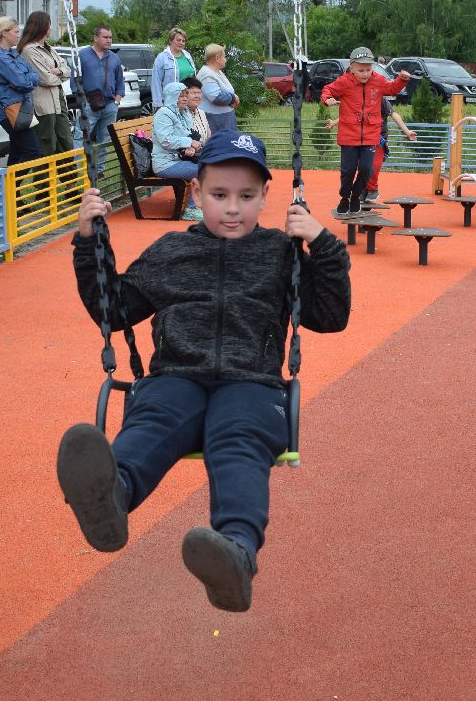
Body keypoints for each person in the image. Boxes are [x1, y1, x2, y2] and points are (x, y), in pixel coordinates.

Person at [57, 129, 352, 611]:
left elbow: (330, 316)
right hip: (176, 375)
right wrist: (89, 244)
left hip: (252, 383)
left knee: (239, 440)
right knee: (153, 420)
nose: (233, 209)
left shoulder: (280, 253)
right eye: (219, 195)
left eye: (246, 197)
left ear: (265, 197)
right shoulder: (170, 252)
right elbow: (114, 310)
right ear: (196, 193)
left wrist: (322, 245)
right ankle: (111, 498)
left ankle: (235, 553)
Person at [320, 46, 410, 217]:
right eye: (361, 70)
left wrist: (402, 80)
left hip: (370, 135)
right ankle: (345, 197)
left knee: (367, 169)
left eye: (368, 69)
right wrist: (328, 99)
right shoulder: (344, 82)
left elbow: (391, 89)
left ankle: (356, 196)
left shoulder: (378, 81)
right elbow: (328, 90)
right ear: (352, 68)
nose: (365, 74)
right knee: (348, 171)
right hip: (349, 136)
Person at [0, 15, 43, 165]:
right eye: (16, 31)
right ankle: (13, 180)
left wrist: (25, 80)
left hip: (21, 107)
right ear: (4, 33)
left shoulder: (12, 53)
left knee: (17, 152)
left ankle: (10, 181)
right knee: (32, 152)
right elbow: (23, 82)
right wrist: (25, 80)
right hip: (12, 111)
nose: (18, 35)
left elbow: (35, 75)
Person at [18, 10, 75, 157]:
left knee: (65, 142)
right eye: (49, 25)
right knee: (47, 146)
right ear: (42, 27)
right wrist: (59, 74)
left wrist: (58, 71)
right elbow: (45, 79)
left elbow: (67, 69)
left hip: (58, 102)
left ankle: (68, 173)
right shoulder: (29, 50)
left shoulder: (48, 48)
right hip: (43, 106)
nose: (51, 28)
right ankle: (46, 174)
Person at [152, 79, 211, 221]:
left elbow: (187, 134)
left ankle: (203, 203)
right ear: (172, 97)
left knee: (212, 162)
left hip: (178, 158)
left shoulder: (182, 113)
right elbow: (166, 140)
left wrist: (190, 146)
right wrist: (189, 142)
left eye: (185, 95)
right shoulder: (164, 114)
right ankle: (191, 209)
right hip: (165, 163)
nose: (184, 98)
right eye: (180, 96)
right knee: (204, 170)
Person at [77, 24, 125, 180]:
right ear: (96, 37)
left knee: (105, 138)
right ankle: (76, 169)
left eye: (110, 37)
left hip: (110, 104)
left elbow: (120, 82)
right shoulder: (82, 55)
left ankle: (100, 170)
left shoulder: (114, 58)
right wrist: (83, 100)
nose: (109, 40)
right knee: (80, 136)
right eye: (105, 37)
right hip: (89, 104)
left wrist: (116, 102)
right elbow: (75, 80)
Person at [196, 43, 240, 135]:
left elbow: (227, 91)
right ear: (217, 58)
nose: (225, 59)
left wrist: (232, 97)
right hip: (215, 121)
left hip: (224, 120)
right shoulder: (206, 74)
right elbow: (216, 97)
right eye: (224, 56)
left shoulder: (218, 72)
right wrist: (233, 98)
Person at [151, 27, 194, 94]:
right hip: (171, 98)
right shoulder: (162, 57)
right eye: (178, 40)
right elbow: (156, 83)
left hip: (188, 97)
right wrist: (158, 101)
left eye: (183, 41)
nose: (181, 43)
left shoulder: (187, 56)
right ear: (170, 41)